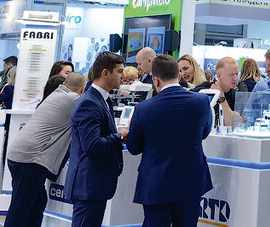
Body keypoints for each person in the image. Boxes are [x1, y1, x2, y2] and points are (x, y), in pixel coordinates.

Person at [126, 56, 212, 227]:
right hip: (190, 182)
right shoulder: (202, 102)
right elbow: (204, 133)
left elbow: (133, 147)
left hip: (156, 184)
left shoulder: (143, 109)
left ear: (156, 80)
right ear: (178, 76)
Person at [5, 72, 87, 227]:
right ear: (82, 89)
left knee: (37, 202)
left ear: (64, 84)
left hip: (21, 155)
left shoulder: (55, 94)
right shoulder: (73, 100)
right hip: (31, 159)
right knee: (21, 208)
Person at [64, 52, 128, 227]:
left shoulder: (102, 99)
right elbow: (93, 145)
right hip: (88, 185)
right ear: (105, 72)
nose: (123, 75)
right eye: (119, 71)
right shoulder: (89, 102)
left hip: (96, 184)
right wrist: (120, 136)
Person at [210, 57, 239, 126]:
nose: (235, 78)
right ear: (219, 75)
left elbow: (231, 123)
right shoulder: (205, 90)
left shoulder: (235, 95)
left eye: (237, 74)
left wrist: (222, 97)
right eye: (231, 75)